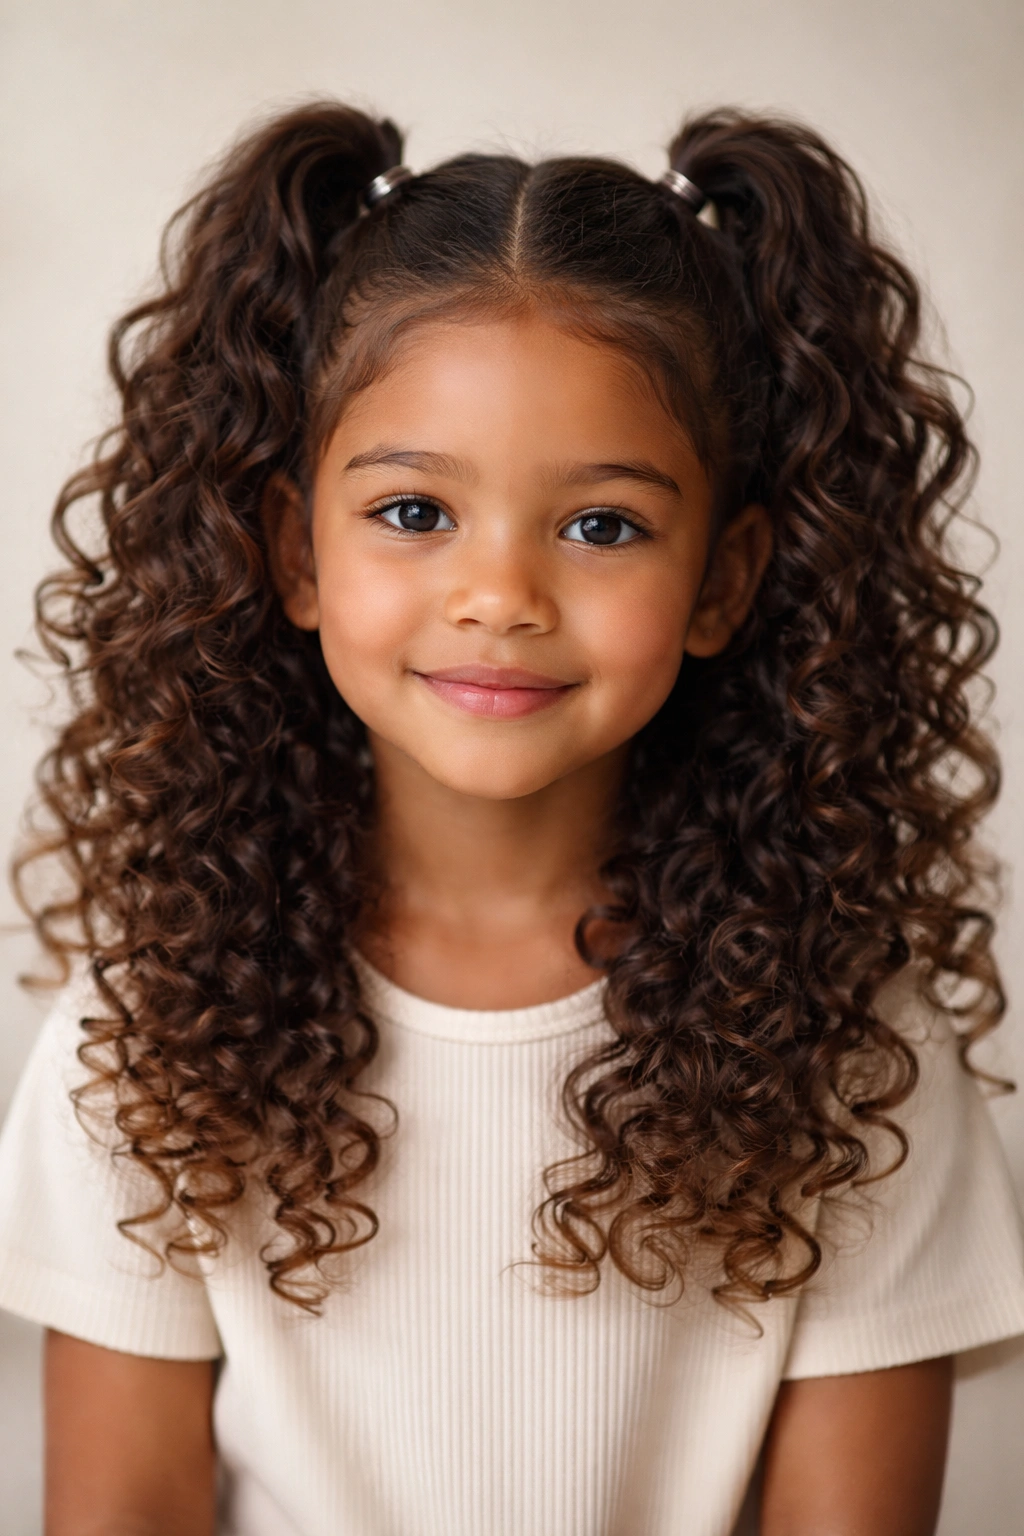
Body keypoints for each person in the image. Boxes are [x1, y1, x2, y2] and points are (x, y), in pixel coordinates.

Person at [0, 100, 1022, 1536]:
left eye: (602, 525)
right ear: (295, 553)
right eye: (415, 512)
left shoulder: (851, 1052)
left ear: (724, 583)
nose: (501, 596)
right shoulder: (150, 1032)